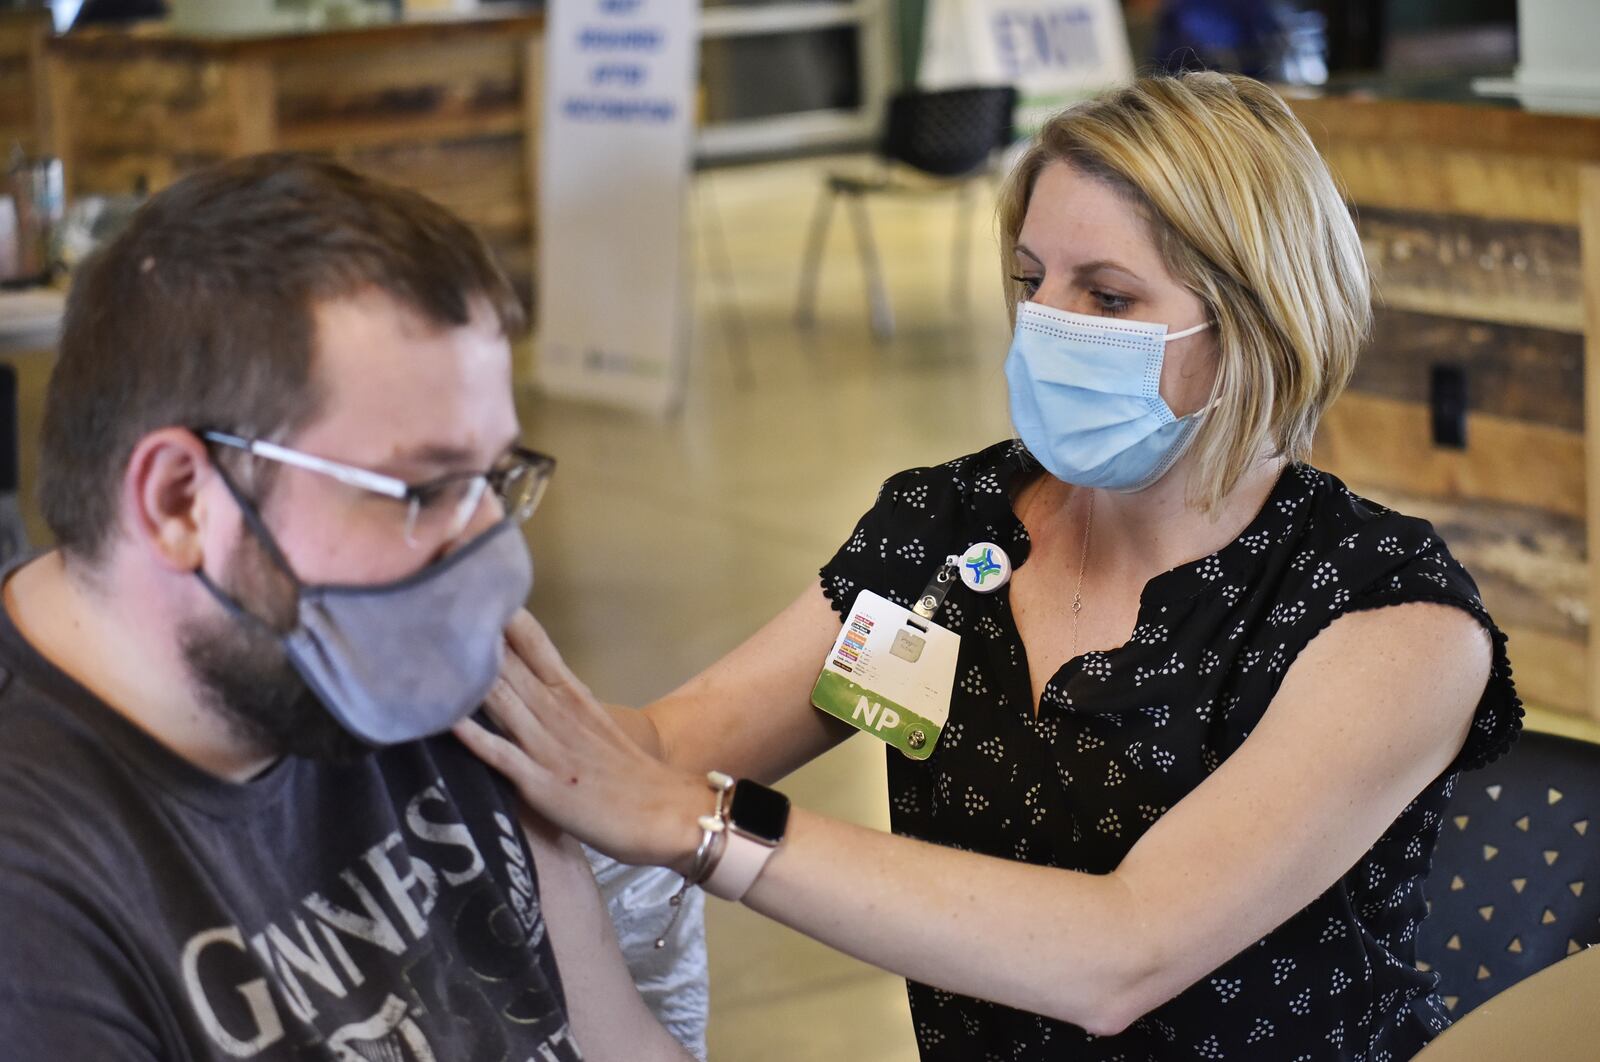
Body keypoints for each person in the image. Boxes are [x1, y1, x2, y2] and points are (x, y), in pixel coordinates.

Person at [458, 71, 1523, 1061]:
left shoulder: (1389, 616)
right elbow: (659, 749)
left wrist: (704, 830)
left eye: (1107, 298)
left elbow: (1121, 952)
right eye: (1030, 279)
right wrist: (440, 688)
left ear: (1255, 321)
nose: (1047, 326)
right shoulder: (952, 528)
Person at [0, 153, 693, 1061]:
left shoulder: (415, 678)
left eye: (494, 479)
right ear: (179, 501)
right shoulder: (37, 904)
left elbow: (614, 1047)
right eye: (423, 487)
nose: (489, 553)